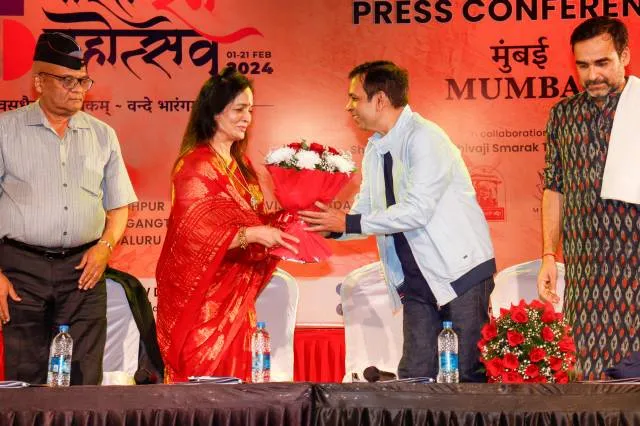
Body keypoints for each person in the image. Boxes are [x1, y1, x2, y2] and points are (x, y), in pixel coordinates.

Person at [300, 61, 496, 382]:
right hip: (418, 281)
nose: (348, 106)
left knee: (464, 379)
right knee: (413, 378)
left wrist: (347, 222)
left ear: (379, 100)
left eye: (354, 98)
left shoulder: (426, 138)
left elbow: (416, 210)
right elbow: (366, 210)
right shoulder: (376, 148)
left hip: (460, 275)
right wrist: (329, 226)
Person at [0, 32, 137, 385]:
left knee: (84, 377)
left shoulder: (103, 135)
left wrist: (105, 248)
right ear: (39, 82)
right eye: (67, 80)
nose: (78, 88)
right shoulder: (6, 130)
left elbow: (119, 206)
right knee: (25, 378)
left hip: (84, 269)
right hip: (20, 270)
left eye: (83, 80)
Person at [155, 66, 298, 383]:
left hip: (237, 301)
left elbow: (253, 222)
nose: (247, 117)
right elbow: (193, 236)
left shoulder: (242, 165)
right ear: (215, 113)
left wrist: (289, 218)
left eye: (250, 109)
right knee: (204, 398)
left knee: (237, 393)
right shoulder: (194, 166)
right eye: (239, 109)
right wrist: (253, 234)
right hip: (203, 305)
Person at [538, 16, 640, 380]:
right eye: (583, 65)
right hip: (586, 270)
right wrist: (550, 254)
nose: (592, 74)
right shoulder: (564, 115)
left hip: (635, 267)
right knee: (586, 372)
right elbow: (554, 187)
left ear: (625, 55)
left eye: (602, 63)